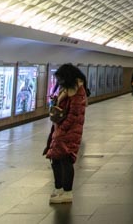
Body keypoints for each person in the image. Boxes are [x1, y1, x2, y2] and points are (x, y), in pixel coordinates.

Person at [43, 63, 87, 204]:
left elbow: (74, 115)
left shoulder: (77, 92)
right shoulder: (66, 89)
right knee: (55, 159)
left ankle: (67, 192)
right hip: (60, 129)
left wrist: (62, 130)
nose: (59, 81)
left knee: (66, 160)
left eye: (60, 78)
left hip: (70, 132)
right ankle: (59, 188)